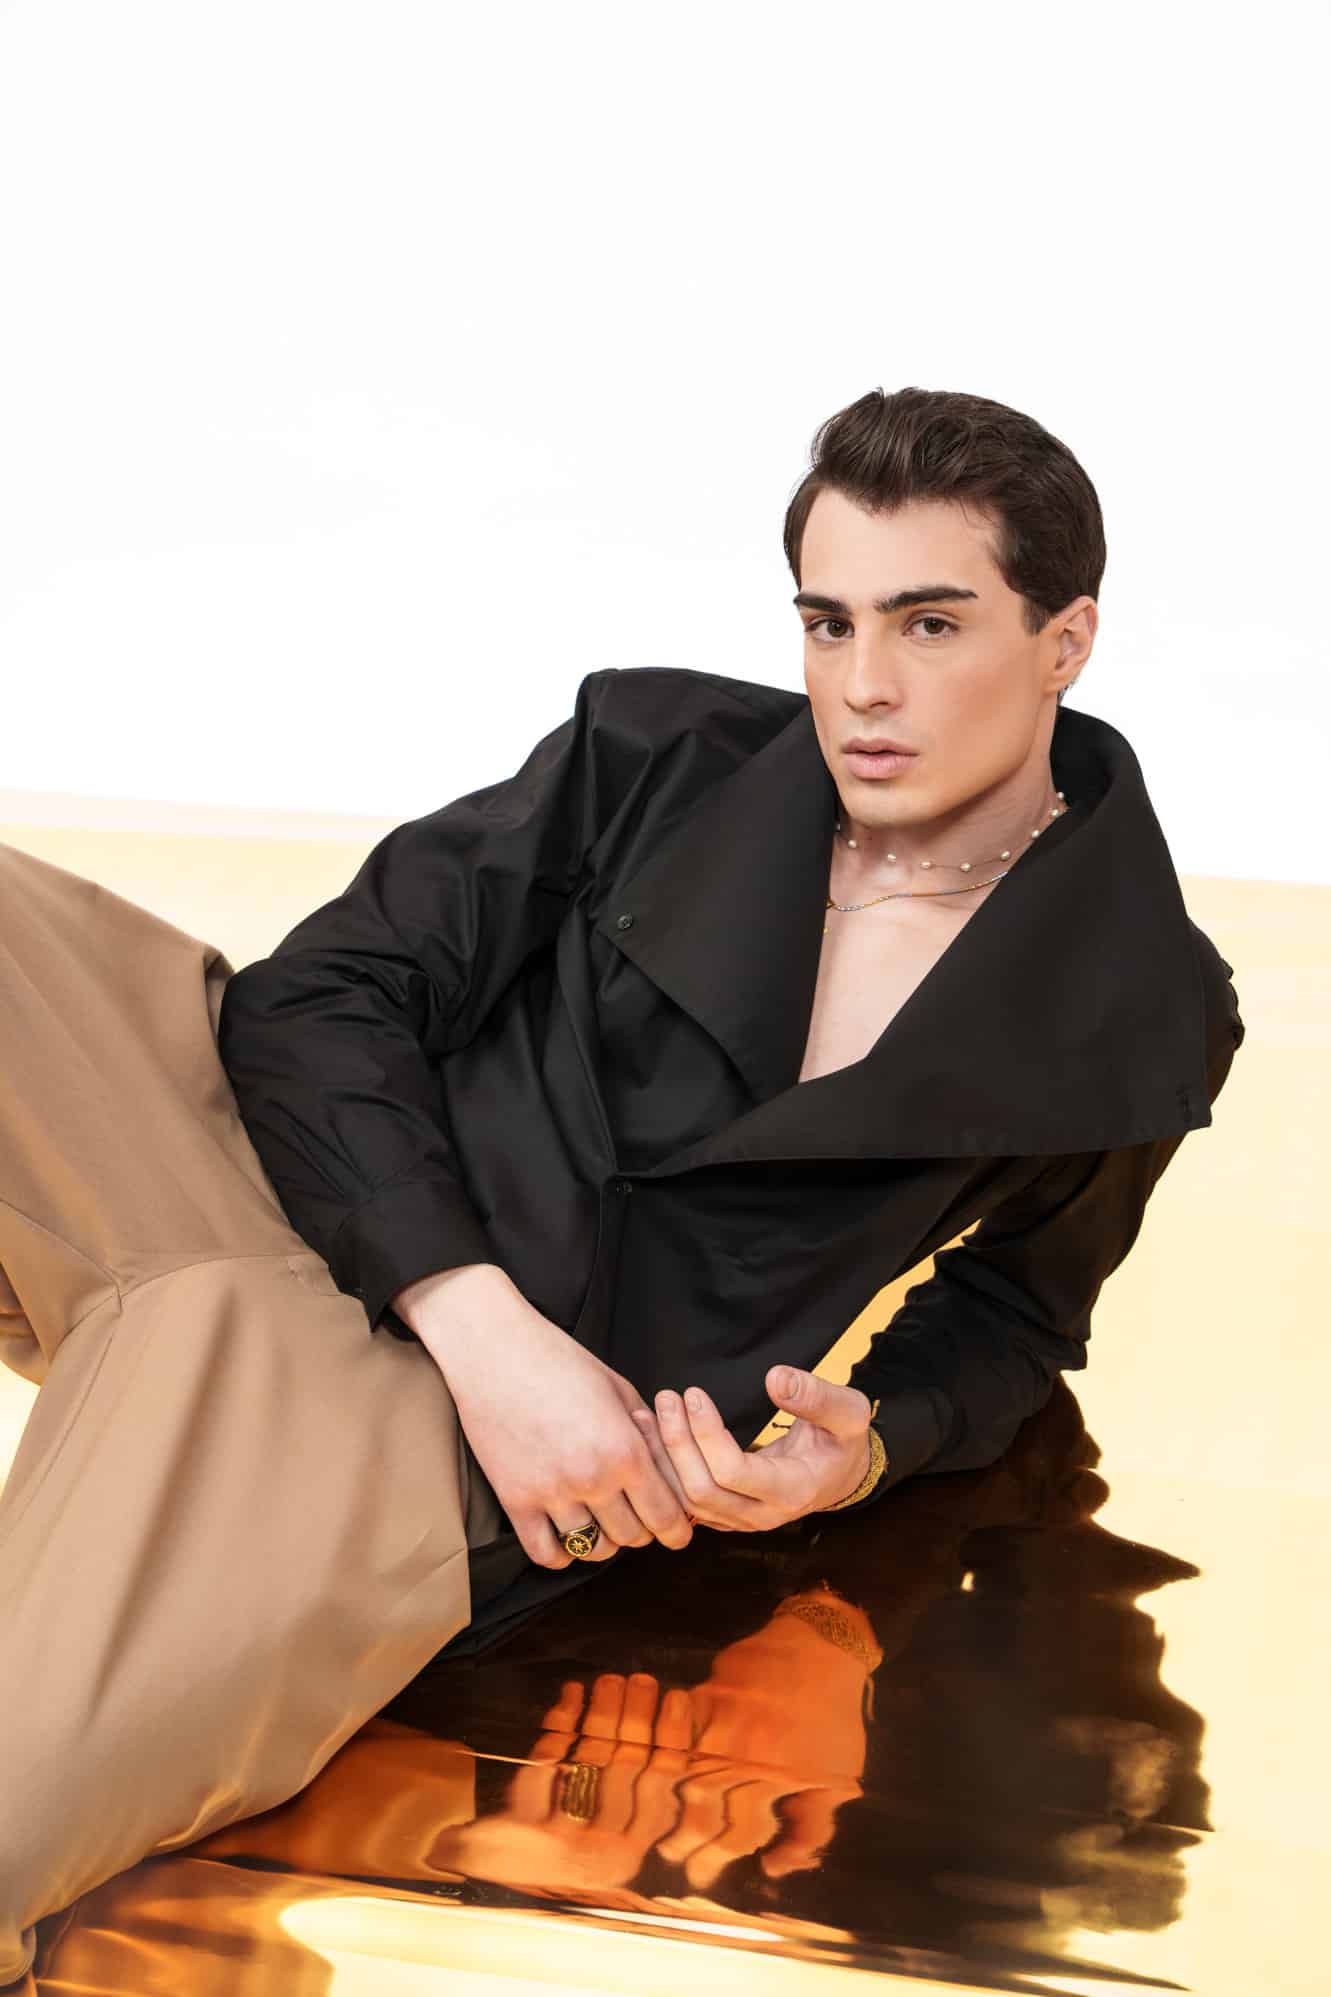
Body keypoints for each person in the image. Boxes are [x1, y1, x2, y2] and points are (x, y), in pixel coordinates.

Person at [0, 385, 1244, 1986]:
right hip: (264, 1164)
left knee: (27, 1789)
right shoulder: (655, 752)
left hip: (408, 1430)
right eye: (830, 621)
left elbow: (1017, 1310)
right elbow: (321, 996)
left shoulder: (1144, 1008)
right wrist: (478, 1318)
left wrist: (863, 1451)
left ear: (1066, 638)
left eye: (931, 624)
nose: (864, 685)